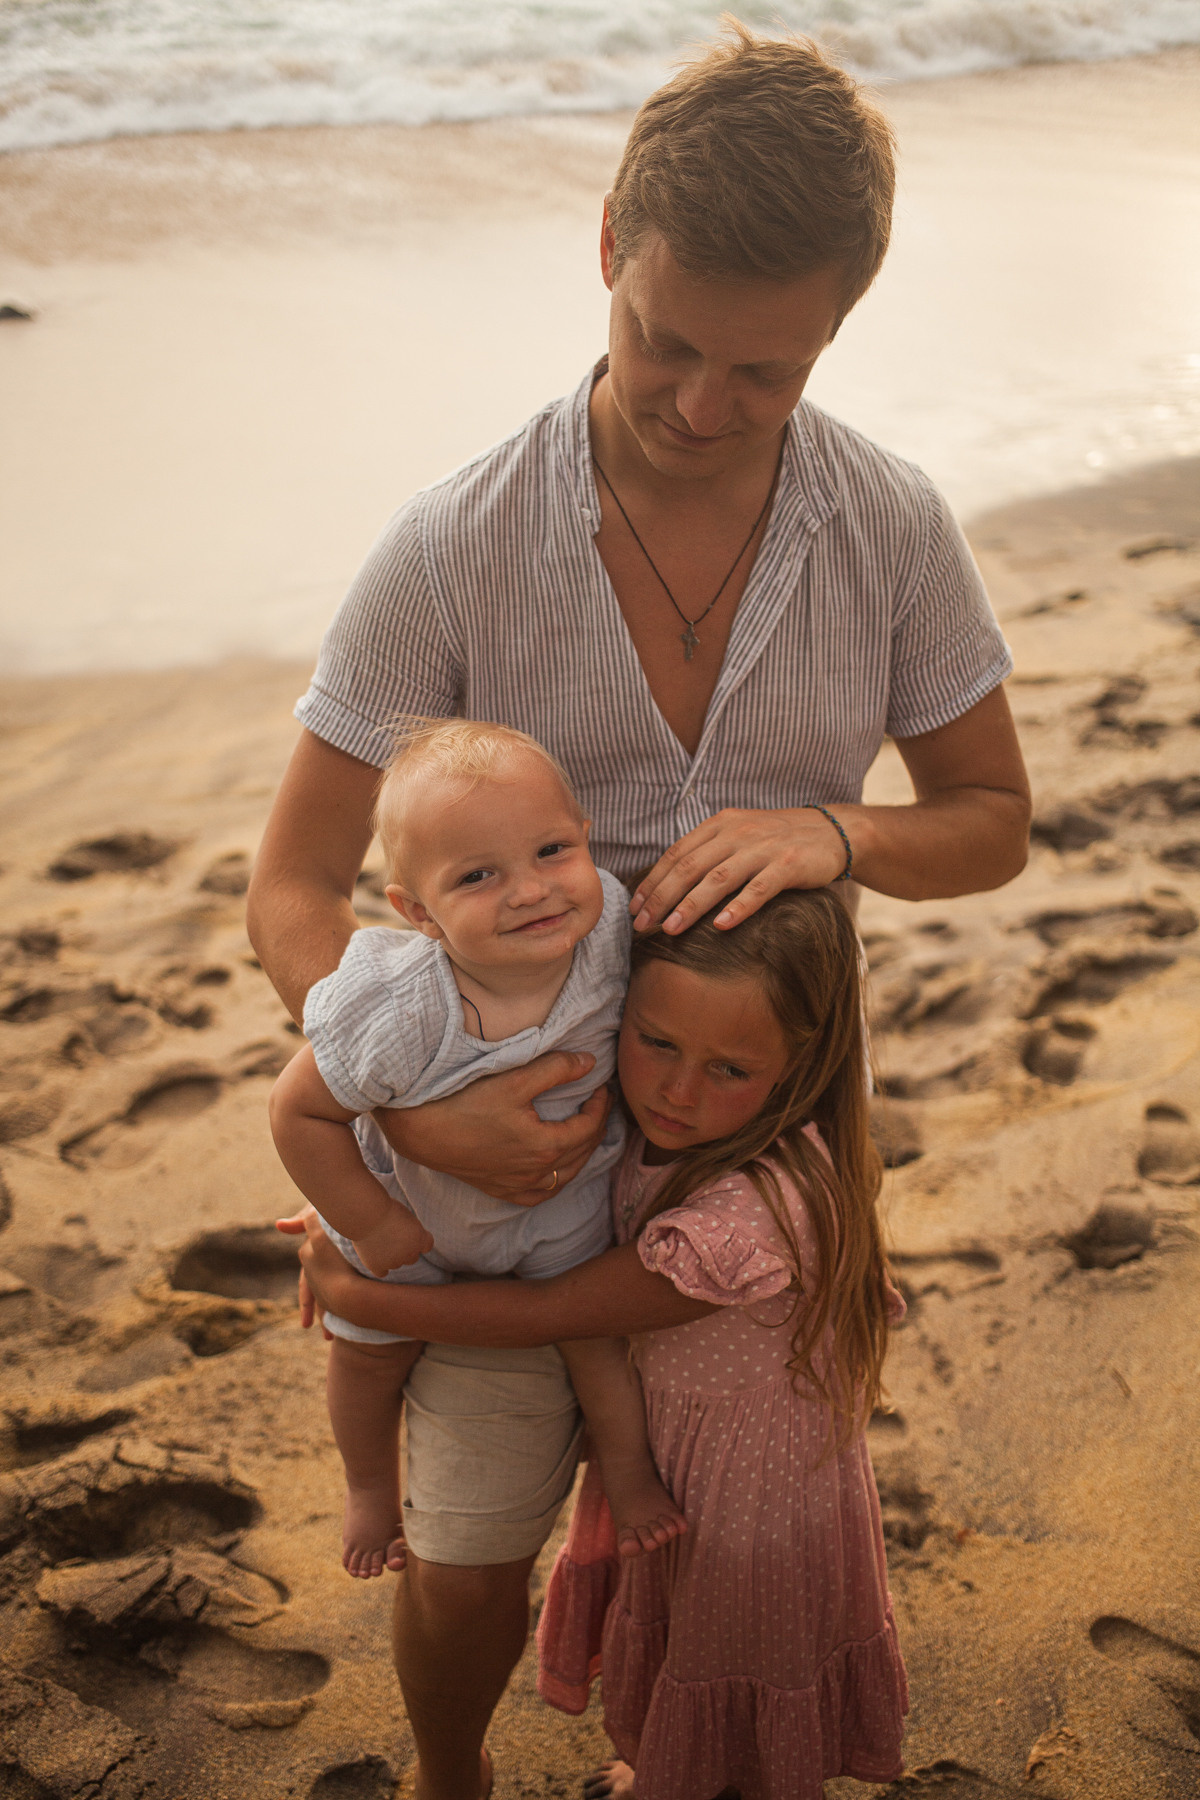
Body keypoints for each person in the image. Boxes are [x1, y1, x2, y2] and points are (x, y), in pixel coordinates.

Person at [252, 24, 1030, 1800]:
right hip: (486, 1151)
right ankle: (456, 1781)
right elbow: (292, 885)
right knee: (467, 1548)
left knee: (733, 1531)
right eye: (664, 341)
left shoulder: (894, 529)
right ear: (608, 240)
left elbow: (991, 825)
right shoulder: (451, 544)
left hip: (755, 1134)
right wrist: (397, 1100)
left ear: (842, 322)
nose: (698, 402)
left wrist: (835, 834)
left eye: (764, 371)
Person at [293, 885, 907, 1800]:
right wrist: (355, 1208)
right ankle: (672, 1758)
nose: (679, 1091)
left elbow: (555, 1309)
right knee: (671, 1628)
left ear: (801, 1065)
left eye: (730, 1069)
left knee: (728, 1645)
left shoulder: (763, 1209)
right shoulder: (642, 1125)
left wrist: (363, 1296)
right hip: (671, 1459)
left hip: (750, 1502)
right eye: (656, 1043)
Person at [269, 719, 685, 1577]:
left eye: (550, 851)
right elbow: (296, 1111)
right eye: (478, 876)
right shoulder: (399, 1003)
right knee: (366, 1355)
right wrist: (367, 1218)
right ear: (418, 912)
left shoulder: (609, 938)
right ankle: (370, 1491)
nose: (530, 891)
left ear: (585, 838)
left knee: (595, 1345)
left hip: (559, 1206)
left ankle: (632, 1477)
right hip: (413, 1215)